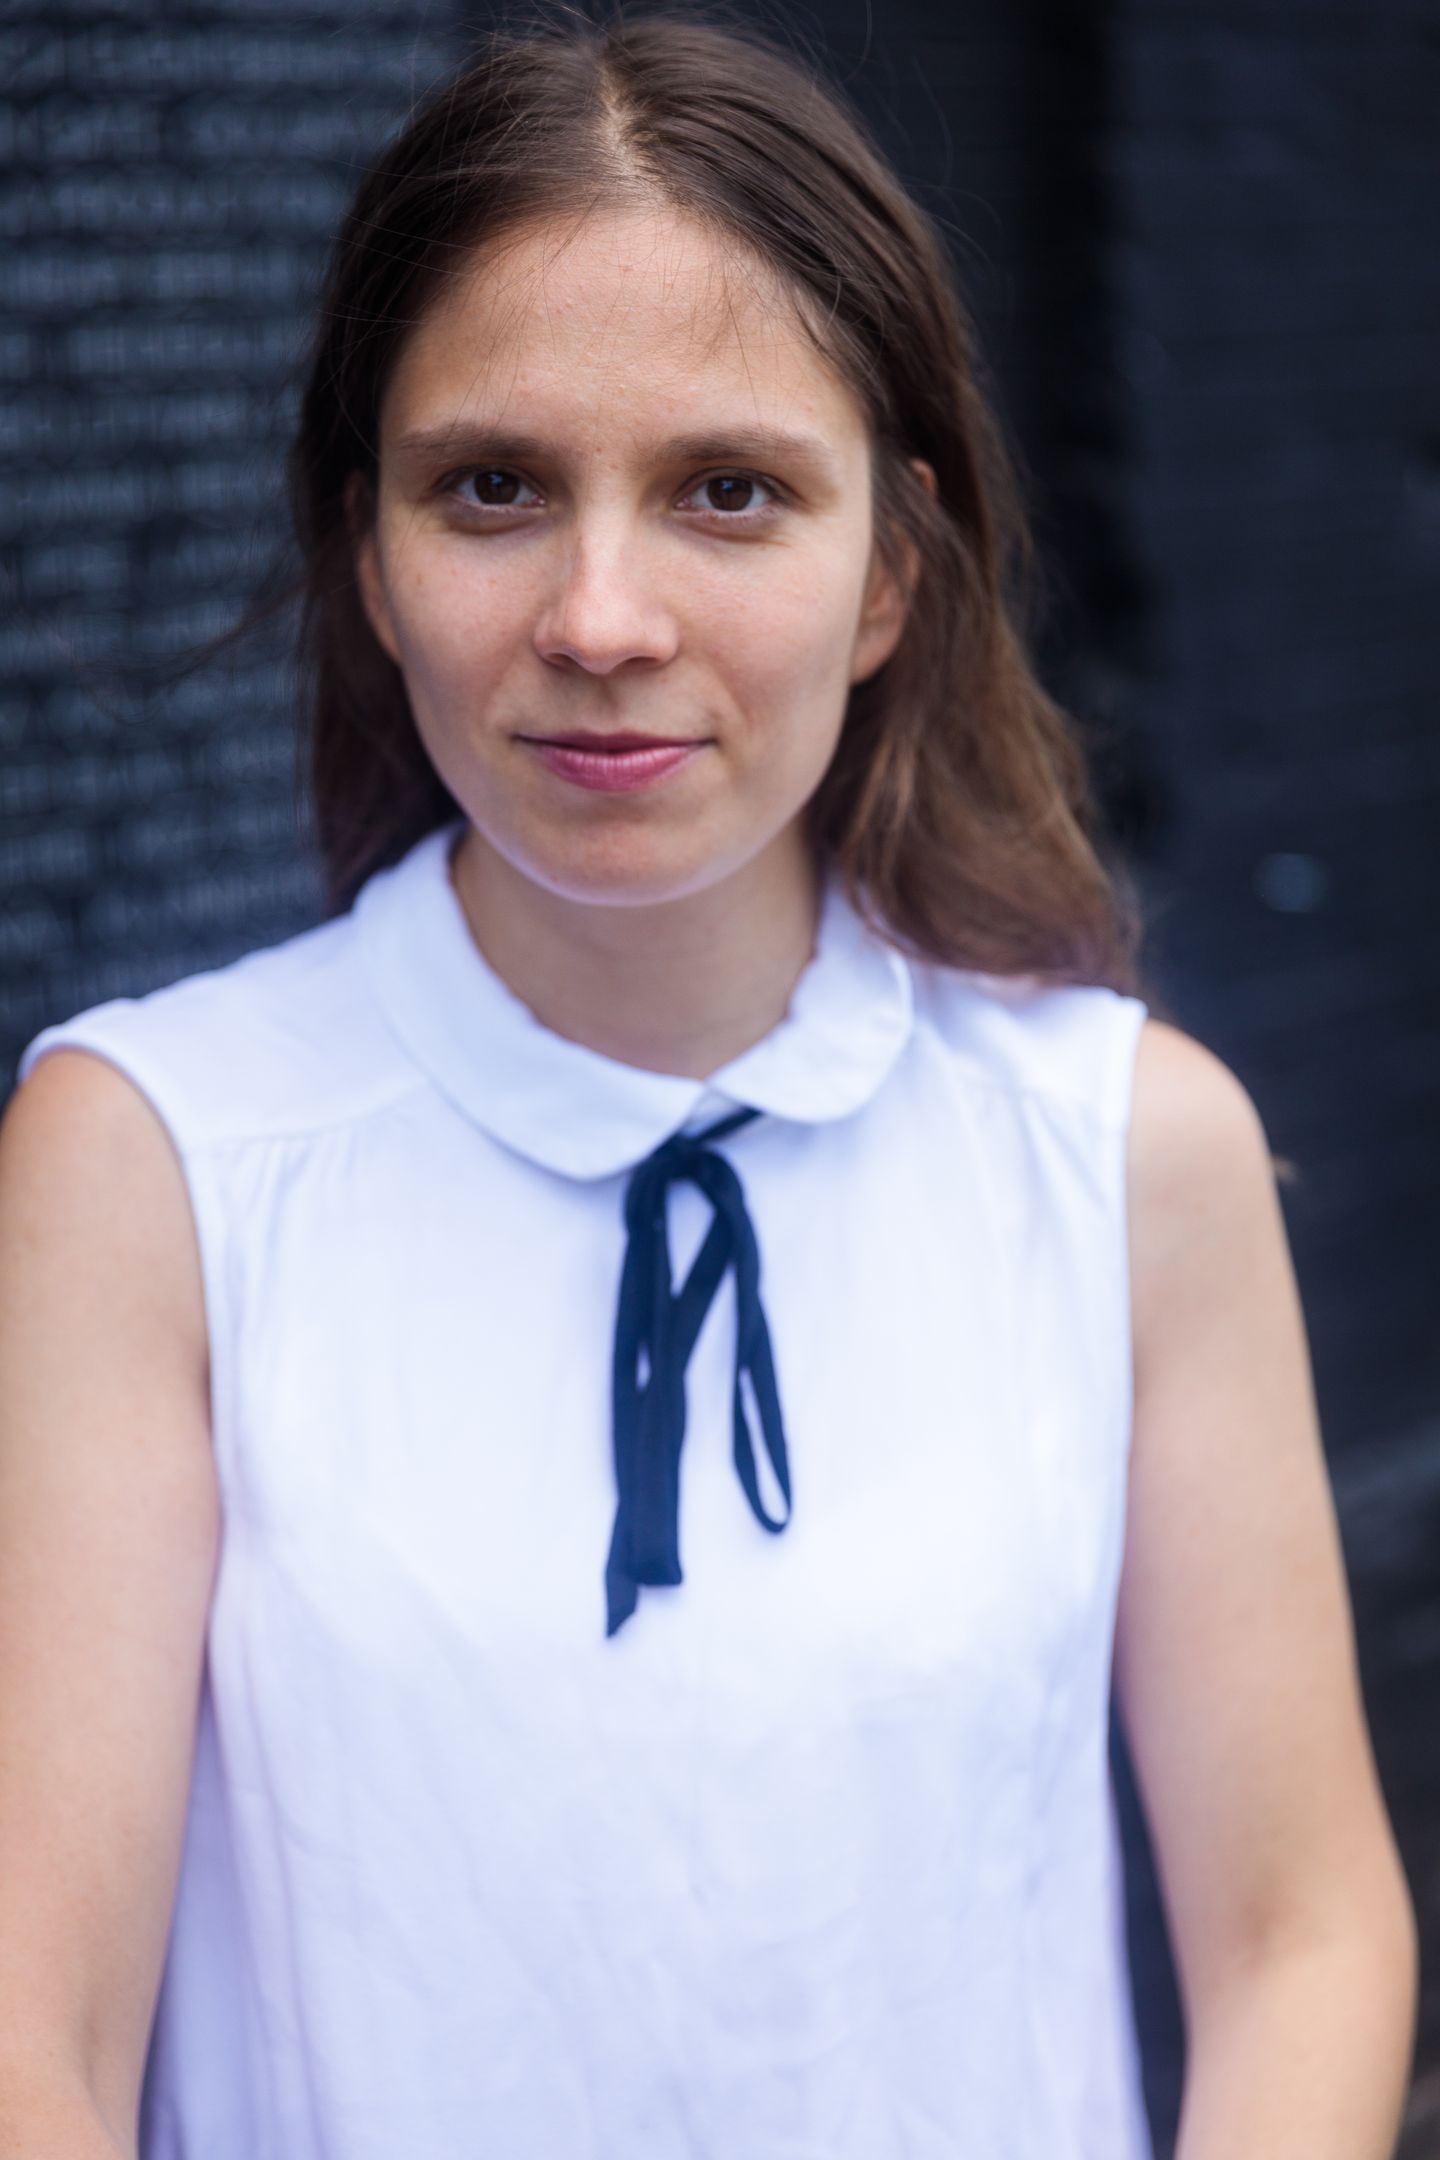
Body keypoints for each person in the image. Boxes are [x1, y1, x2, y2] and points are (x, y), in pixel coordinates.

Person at [0, 9, 1418, 2158]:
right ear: (371, 551)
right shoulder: (157, 1162)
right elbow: (36, 2027)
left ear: (893, 571)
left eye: (728, 492)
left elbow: (1300, 1932)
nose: (600, 616)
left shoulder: (1122, 1149)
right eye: (492, 487)